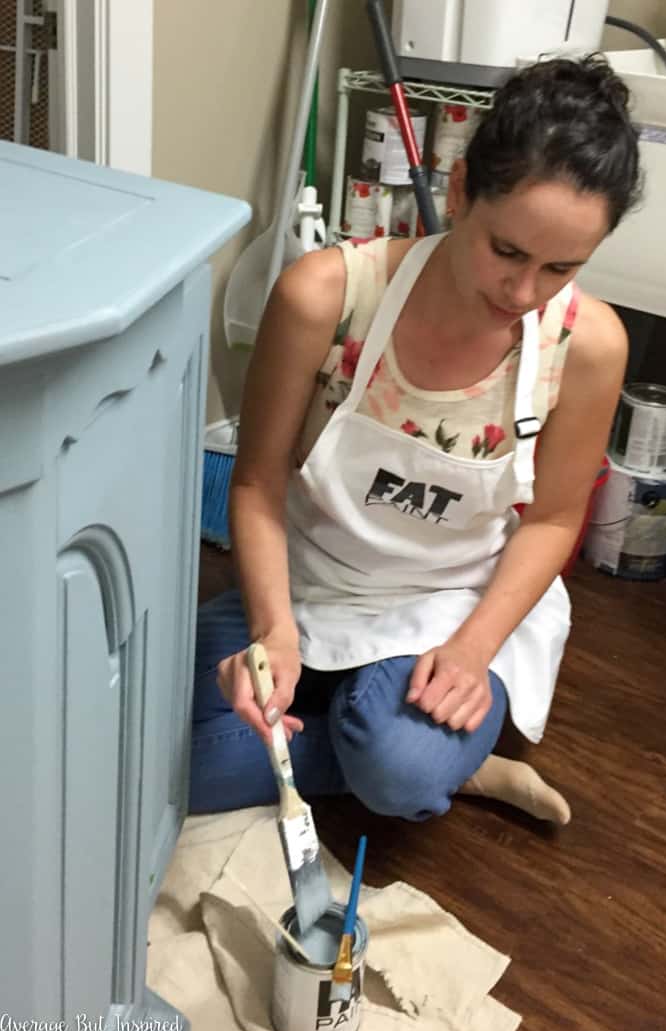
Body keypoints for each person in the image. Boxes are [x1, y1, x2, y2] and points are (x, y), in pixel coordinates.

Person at [190, 55, 642, 825]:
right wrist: (275, 632)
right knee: (157, 753)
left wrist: (472, 650)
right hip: (308, 588)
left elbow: (556, 519)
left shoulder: (588, 345)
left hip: (451, 606)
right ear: (460, 190)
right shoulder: (327, 297)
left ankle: (418, 759)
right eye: (507, 252)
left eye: (560, 268)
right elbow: (259, 481)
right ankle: (444, 760)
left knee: (393, 768)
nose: (524, 293)